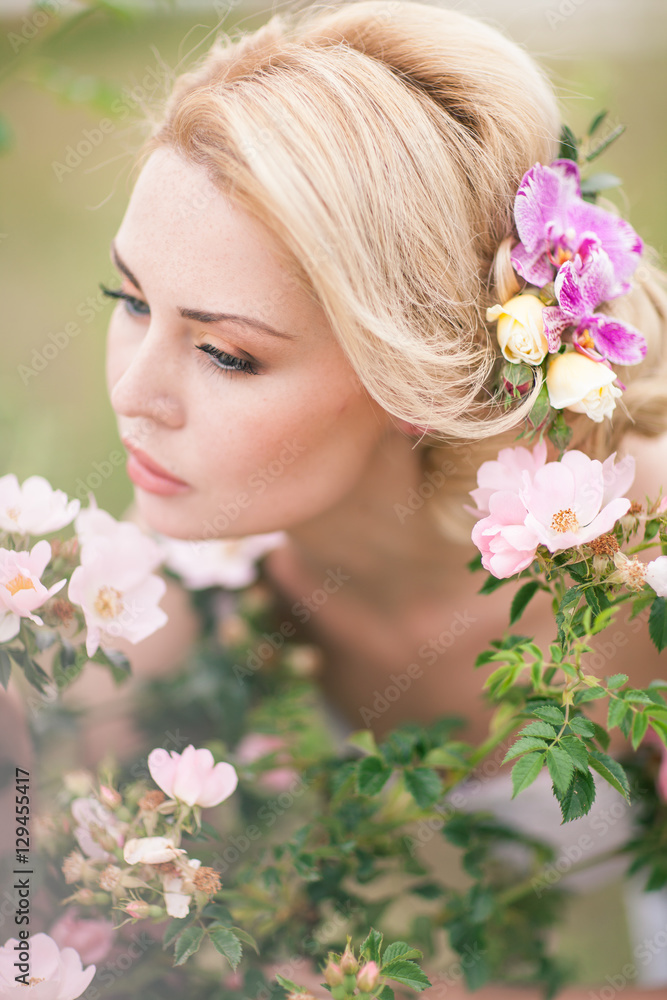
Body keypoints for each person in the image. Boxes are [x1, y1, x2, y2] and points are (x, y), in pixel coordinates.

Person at [74, 1, 667, 995]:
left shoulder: (639, 565)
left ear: (417, 381)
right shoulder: (153, 609)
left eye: (226, 352)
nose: (134, 393)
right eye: (130, 301)